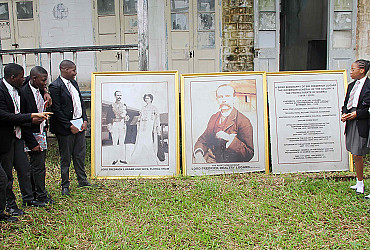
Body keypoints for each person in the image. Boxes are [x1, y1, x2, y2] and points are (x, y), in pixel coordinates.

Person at [0, 63, 50, 221]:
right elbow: (6, 116)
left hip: (18, 137)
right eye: (21, 77)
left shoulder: (18, 86)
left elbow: (35, 79)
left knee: (25, 169)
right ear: (12, 78)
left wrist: (45, 91)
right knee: (6, 176)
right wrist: (30, 117)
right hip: (5, 139)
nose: (24, 80)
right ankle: (10, 205)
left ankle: (28, 199)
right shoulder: (1, 91)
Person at [49, 60, 92, 196]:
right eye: (73, 70)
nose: (75, 73)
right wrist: (69, 126)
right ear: (64, 69)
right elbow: (56, 110)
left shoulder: (74, 83)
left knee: (79, 155)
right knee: (66, 157)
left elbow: (80, 103)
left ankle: (82, 180)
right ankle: (65, 185)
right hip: (65, 128)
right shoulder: (55, 86)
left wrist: (85, 119)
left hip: (79, 124)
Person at [194, 84, 254, 163]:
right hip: (212, 164)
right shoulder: (214, 118)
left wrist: (230, 139)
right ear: (217, 99)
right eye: (220, 97)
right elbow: (203, 140)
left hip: (232, 167)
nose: (224, 100)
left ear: (234, 99)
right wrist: (198, 154)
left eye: (227, 96)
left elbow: (249, 154)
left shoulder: (243, 121)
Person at [21, 66, 54, 204]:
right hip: (31, 134)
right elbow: (22, 120)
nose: (45, 83)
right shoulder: (23, 94)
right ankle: (40, 195)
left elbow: (39, 85)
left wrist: (45, 91)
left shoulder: (39, 88)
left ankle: (37, 192)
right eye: (43, 80)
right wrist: (32, 143)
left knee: (38, 165)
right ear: (34, 79)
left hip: (41, 131)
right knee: (37, 166)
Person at [341, 59, 370, 195]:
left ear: (362, 70)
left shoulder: (369, 86)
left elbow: (367, 108)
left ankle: (361, 183)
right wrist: (344, 114)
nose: (351, 72)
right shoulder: (351, 85)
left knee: (359, 151)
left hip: (362, 122)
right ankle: (359, 182)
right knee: (354, 152)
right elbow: (346, 102)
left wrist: (357, 114)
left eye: (353, 69)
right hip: (351, 121)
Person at [130, 94, 161, 165]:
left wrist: (156, 127)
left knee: (149, 140)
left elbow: (157, 119)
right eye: (146, 98)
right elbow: (139, 118)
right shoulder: (142, 108)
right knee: (141, 140)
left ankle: (150, 157)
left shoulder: (154, 108)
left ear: (151, 99)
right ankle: (140, 157)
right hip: (143, 127)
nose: (147, 100)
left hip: (150, 126)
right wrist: (140, 122)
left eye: (148, 98)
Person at [106, 90, 130, 165]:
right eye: (117, 95)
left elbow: (127, 116)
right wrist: (110, 127)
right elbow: (108, 117)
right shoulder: (111, 106)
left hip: (122, 124)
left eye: (120, 95)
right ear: (115, 96)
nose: (119, 97)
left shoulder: (124, 105)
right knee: (115, 142)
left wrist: (127, 118)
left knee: (122, 142)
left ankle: (122, 159)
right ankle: (115, 159)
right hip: (115, 124)